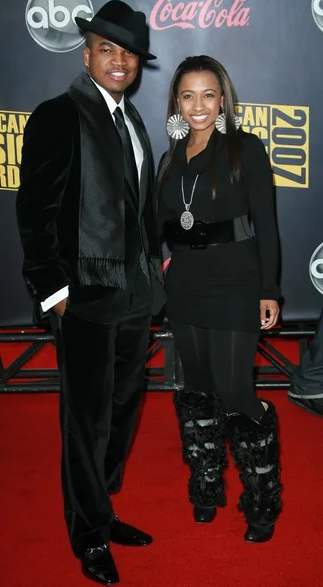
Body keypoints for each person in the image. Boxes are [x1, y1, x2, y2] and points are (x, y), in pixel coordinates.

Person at [16, 0, 165, 586]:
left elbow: (137, 207)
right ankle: (87, 535)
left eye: (128, 52)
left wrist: (159, 261)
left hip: (134, 297)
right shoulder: (57, 115)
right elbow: (35, 210)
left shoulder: (133, 120)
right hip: (81, 296)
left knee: (123, 411)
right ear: (86, 54)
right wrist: (52, 289)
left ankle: (101, 509)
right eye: (108, 48)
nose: (119, 60)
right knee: (86, 419)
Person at [157, 55, 282, 543]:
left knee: (235, 393)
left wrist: (269, 289)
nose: (199, 106)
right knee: (198, 389)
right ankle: (206, 486)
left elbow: (267, 225)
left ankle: (262, 498)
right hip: (185, 282)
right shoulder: (171, 156)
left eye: (209, 94)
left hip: (235, 281)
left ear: (223, 99)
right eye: (188, 96)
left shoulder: (244, 149)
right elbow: (159, 225)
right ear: (176, 103)